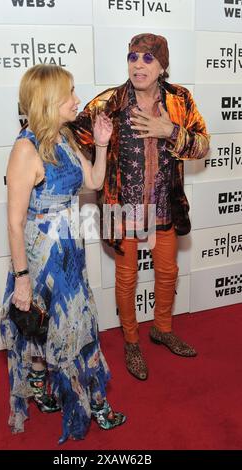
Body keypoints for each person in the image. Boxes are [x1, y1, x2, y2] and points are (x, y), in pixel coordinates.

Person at [71, 33, 210, 381]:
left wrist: (170, 130)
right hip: (122, 209)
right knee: (126, 276)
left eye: (148, 58)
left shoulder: (180, 100)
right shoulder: (109, 103)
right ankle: (131, 339)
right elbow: (72, 138)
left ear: (163, 65)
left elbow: (203, 146)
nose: (138, 64)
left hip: (165, 203)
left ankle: (162, 328)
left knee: (168, 273)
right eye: (133, 57)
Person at [0, 64, 126, 445]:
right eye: (69, 94)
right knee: (66, 327)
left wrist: (102, 144)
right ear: (48, 102)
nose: (76, 99)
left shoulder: (66, 136)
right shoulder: (25, 149)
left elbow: (94, 182)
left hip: (71, 247)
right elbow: (14, 223)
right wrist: (22, 280)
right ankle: (95, 406)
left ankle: (40, 384)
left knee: (58, 324)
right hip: (41, 257)